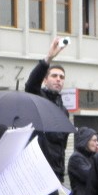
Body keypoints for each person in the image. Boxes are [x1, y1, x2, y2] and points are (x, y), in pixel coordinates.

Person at [24, 37, 72, 182]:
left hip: (56, 173)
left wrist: (61, 172)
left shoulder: (63, 110)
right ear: (45, 80)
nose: (59, 79)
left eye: (62, 77)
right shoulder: (37, 97)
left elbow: (61, 146)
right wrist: (48, 59)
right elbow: (31, 84)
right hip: (36, 171)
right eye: (54, 76)